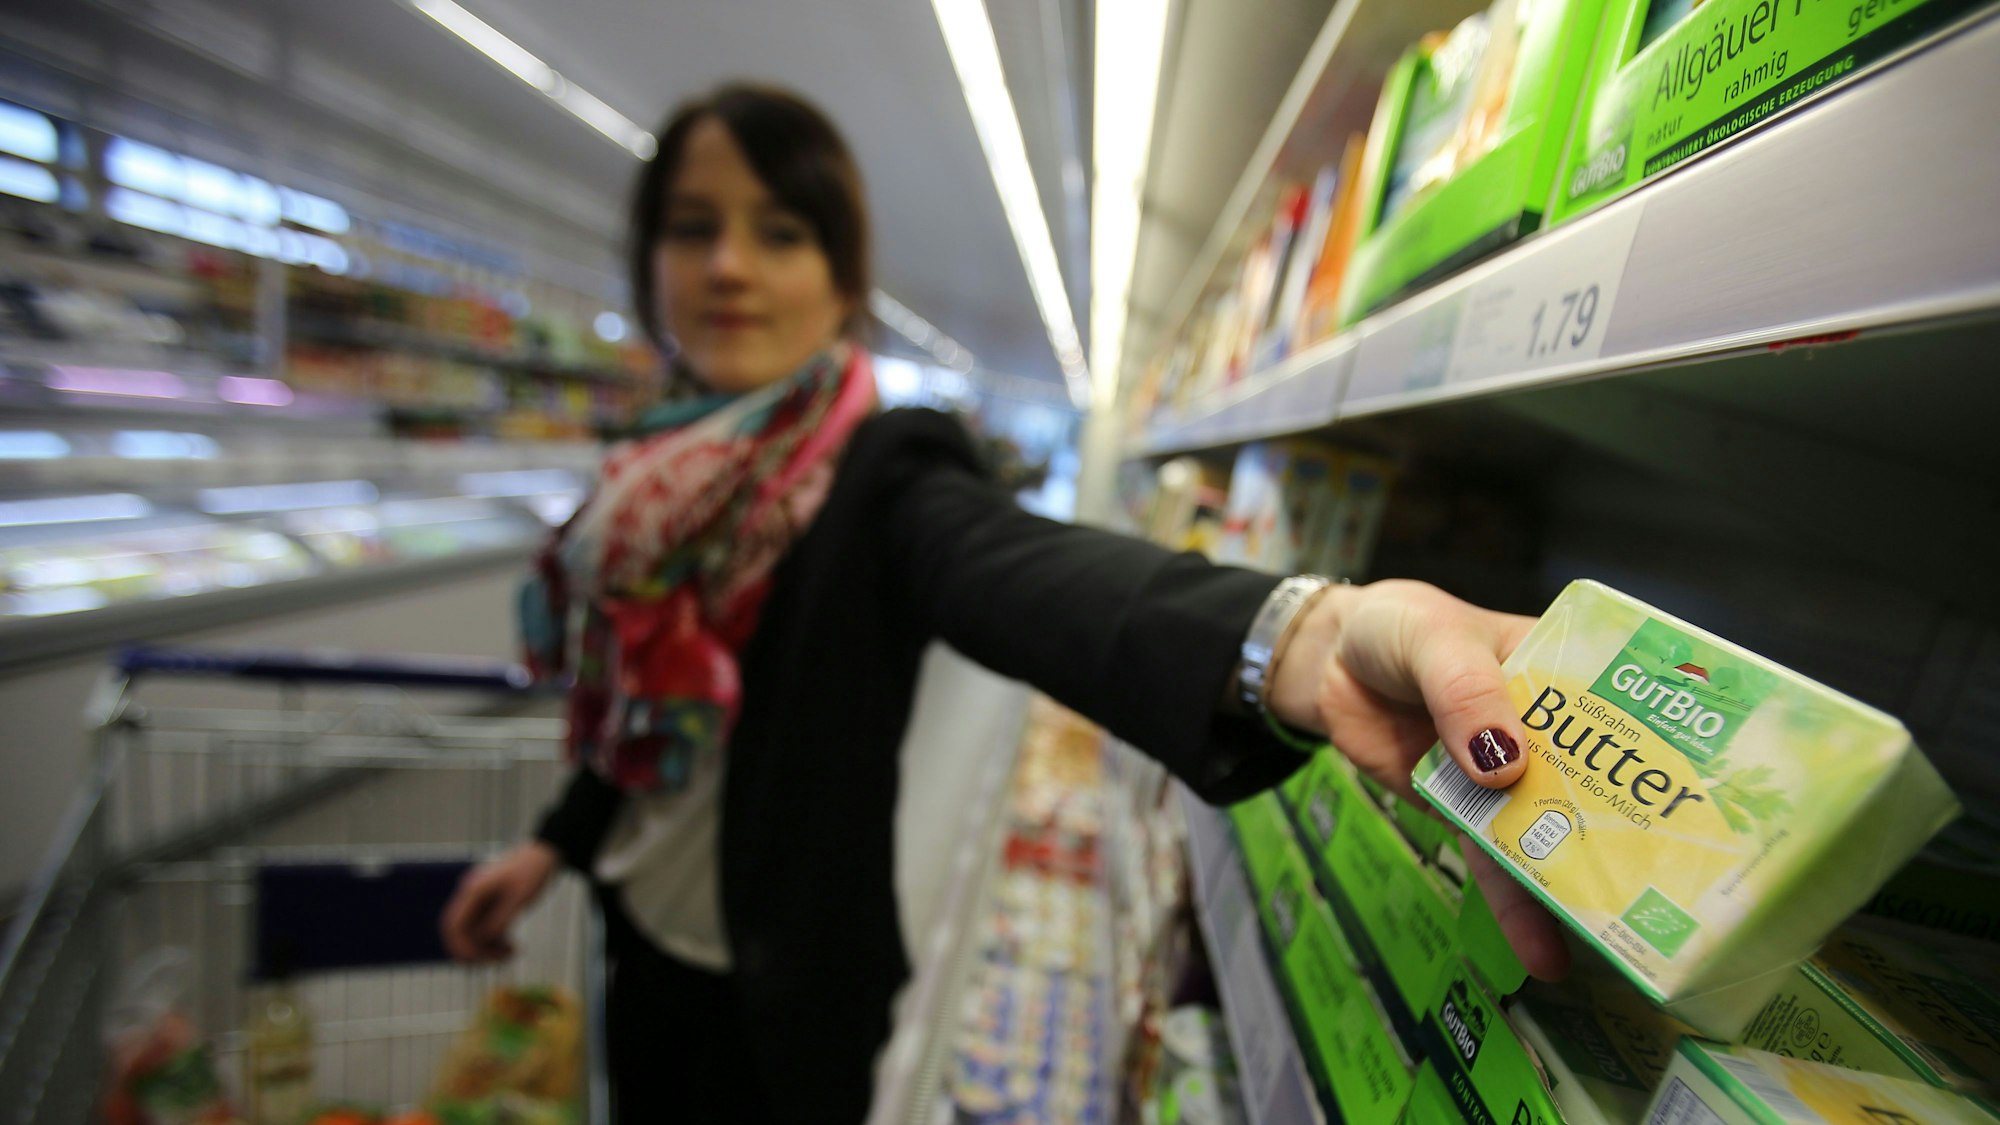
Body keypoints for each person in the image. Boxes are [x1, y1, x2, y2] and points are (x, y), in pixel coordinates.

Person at [439, 83, 1563, 1123]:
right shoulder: (647, 491)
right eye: (693, 227)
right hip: (635, 937)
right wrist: (552, 848)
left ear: (839, 279)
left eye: (780, 232)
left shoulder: (885, 470)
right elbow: (642, 720)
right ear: (649, 262)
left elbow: (1012, 568)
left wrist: (1299, 638)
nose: (729, 265)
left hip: (782, 992)